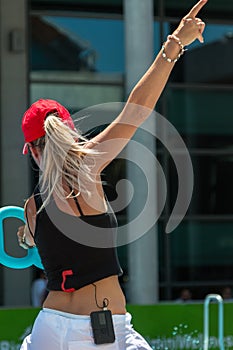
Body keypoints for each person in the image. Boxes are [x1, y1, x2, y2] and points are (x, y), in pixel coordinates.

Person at [17, 1, 207, 348]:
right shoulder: (88, 169)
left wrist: (25, 237)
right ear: (69, 132)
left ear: (34, 151)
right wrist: (174, 43)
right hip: (97, 331)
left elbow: (34, 244)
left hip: (52, 328)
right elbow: (137, 108)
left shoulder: (32, 209)